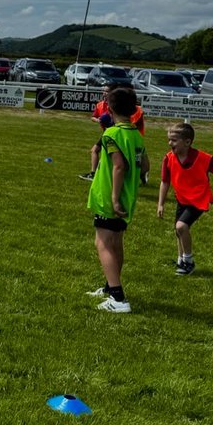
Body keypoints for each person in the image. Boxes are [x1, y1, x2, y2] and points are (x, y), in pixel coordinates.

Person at [86, 85, 149, 313]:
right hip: (129, 197)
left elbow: (119, 166)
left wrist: (114, 198)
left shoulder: (111, 134)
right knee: (116, 243)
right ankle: (109, 286)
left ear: (109, 107)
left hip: (110, 197)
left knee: (102, 243)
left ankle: (118, 298)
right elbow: (146, 166)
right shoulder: (136, 135)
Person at [157, 121, 213, 275]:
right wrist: (161, 204)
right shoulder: (168, 158)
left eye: (173, 140)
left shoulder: (203, 158)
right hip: (182, 199)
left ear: (187, 142)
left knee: (181, 226)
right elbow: (165, 182)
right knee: (178, 230)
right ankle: (181, 259)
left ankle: (189, 261)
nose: (169, 143)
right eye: (169, 139)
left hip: (199, 199)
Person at [81, 82, 146, 181]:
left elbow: (119, 167)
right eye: (104, 91)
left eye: (107, 91)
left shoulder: (129, 111)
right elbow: (94, 117)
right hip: (116, 133)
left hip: (114, 134)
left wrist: (115, 196)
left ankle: (96, 174)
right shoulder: (102, 105)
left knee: (105, 155)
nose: (104, 93)